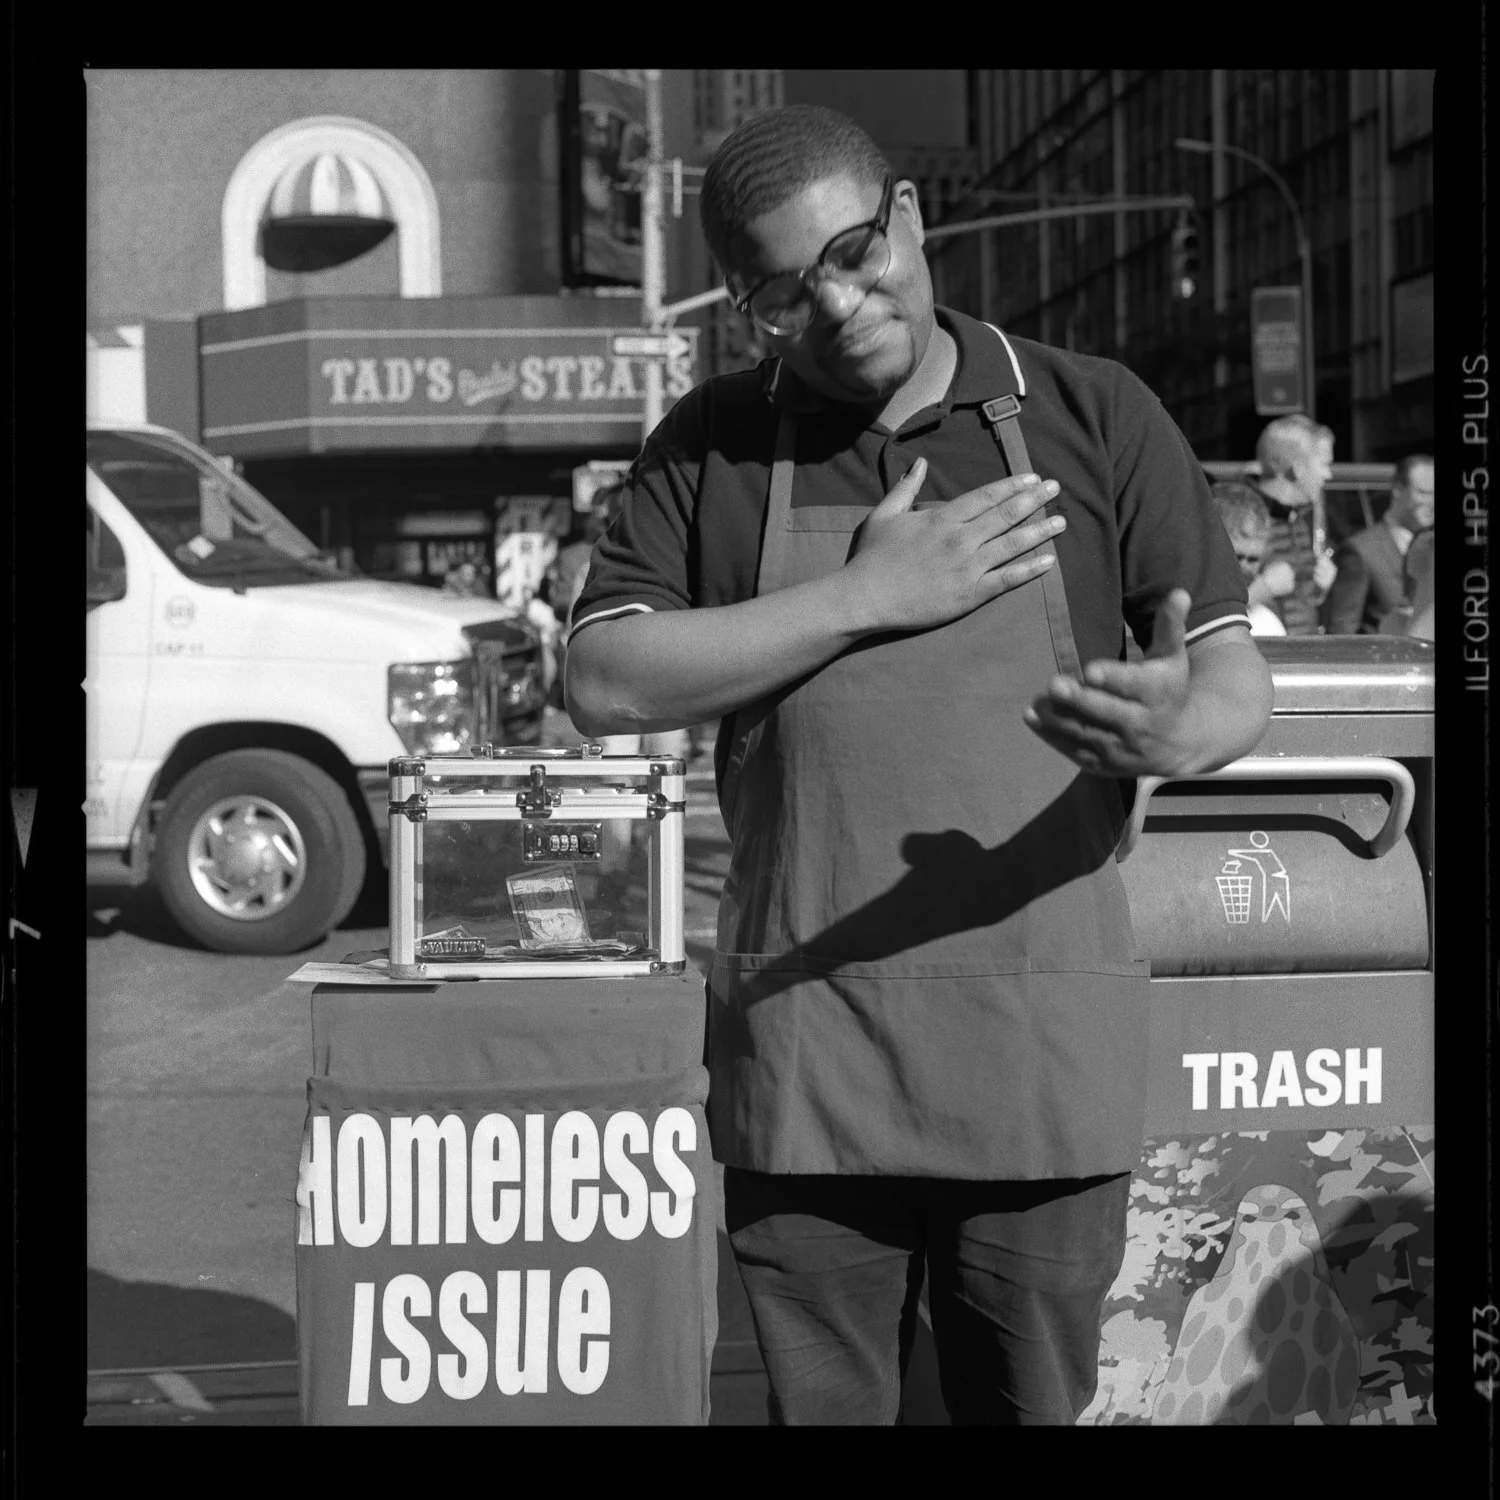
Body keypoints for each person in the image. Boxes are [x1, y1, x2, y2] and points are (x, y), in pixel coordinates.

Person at [564, 104, 1273, 1427]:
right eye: (783, 291)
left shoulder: (1089, 412)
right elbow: (602, 679)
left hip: (1040, 1059)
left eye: (852, 251)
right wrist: (862, 596)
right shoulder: (708, 444)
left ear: (907, 213)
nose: (836, 304)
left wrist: (1185, 731)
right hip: (806, 1066)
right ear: (749, 308)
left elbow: (1233, 679)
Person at [1323, 453, 1434, 635]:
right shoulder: (1361, 550)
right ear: (1398, 489)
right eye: (1423, 493)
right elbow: (1341, 635)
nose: (1431, 502)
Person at [1250, 413, 1338, 635]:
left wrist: (1318, 591)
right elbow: (1207, 604)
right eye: (1325, 464)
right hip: (1263, 660)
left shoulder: (1300, 517)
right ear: (1297, 468)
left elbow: (1295, 601)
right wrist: (1262, 589)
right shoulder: (1240, 518)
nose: (1329, 475)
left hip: (1298, 658)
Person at [1210, 481, 1288, 636]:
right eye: (1237, 557)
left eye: (1253, 559)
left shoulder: (1267, 617)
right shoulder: (1181, 593)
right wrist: (1255, 594)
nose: (1244, 567)